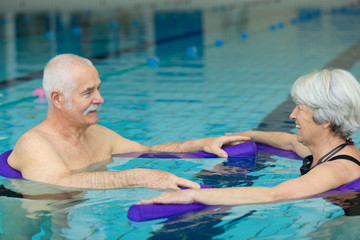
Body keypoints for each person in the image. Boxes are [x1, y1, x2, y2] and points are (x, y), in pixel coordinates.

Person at [7, 54, 249, 190]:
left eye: (98, 89)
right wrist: (139, 177)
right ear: (58, 99)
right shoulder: (35, 144)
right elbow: (60, 183)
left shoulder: (98, 135)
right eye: (88, 92)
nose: (100, 99)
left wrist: (202, 143)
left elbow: (149, 151)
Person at [141, 68, 360, 205]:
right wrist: (247, 135)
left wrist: (193, 195)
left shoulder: (334, 169)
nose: (292, 115)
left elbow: (274, 195)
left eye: (300, 109)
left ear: (325, 119)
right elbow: (289, 141)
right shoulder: (329, 148)